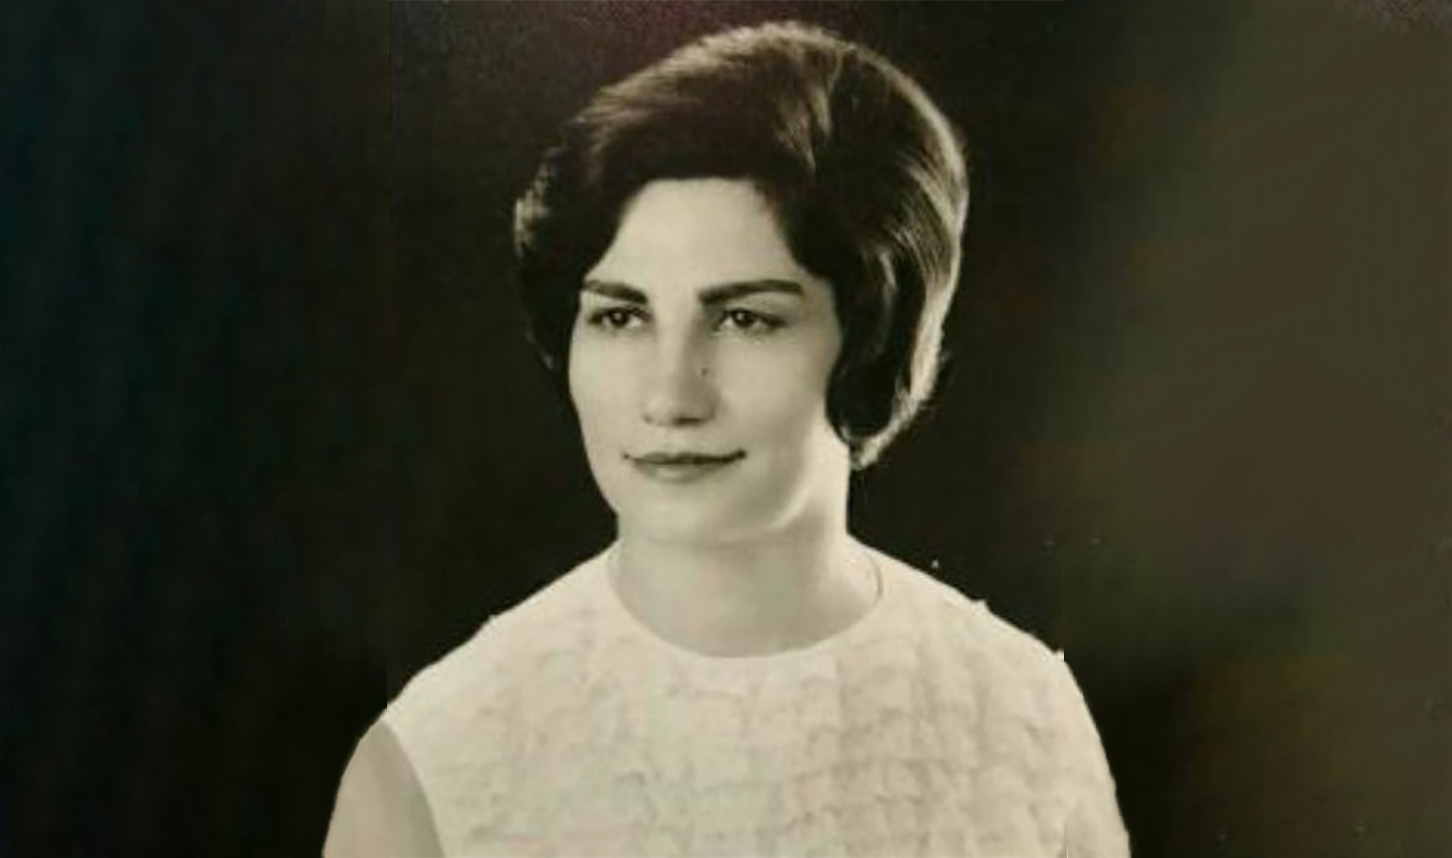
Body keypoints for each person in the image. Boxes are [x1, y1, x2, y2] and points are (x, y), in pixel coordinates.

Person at [325, 21, 1129, 858]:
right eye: (621, 316)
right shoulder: (437, 760)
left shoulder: (1022, 719)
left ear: (873, 336)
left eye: (745, 318)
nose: (671, 396)